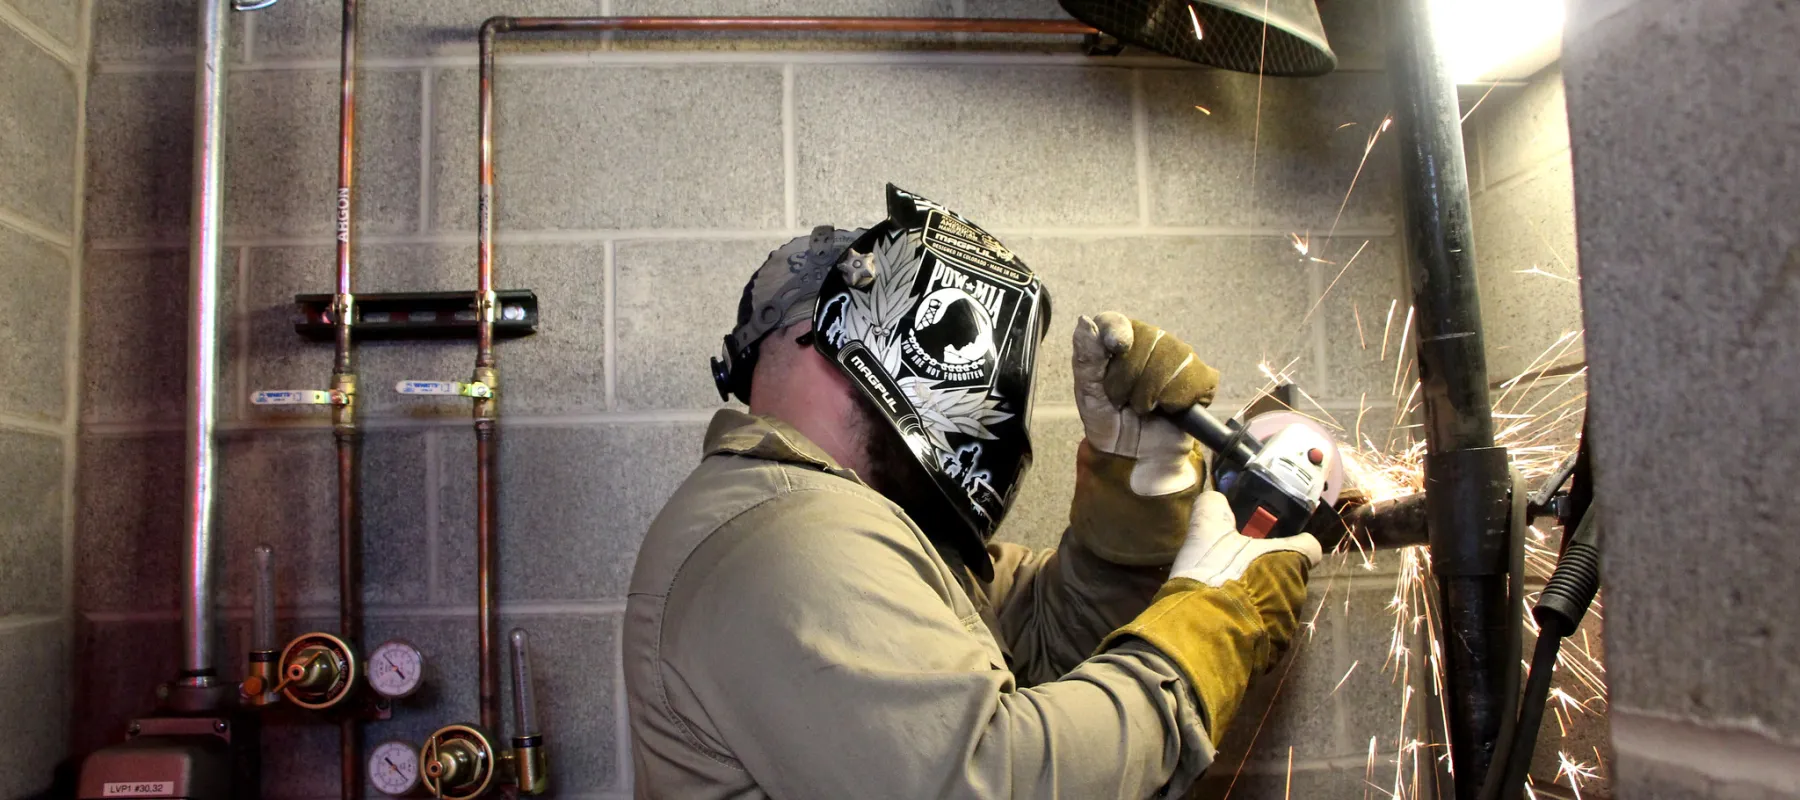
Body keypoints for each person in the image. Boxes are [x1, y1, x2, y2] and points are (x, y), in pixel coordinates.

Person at [623, 185, 1322, 799]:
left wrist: (1140, 479)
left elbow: (1059, 643)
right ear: (835, 324)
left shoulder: (855, 532)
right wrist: (1214, 624)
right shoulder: (783, 539)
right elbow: (995, 778)